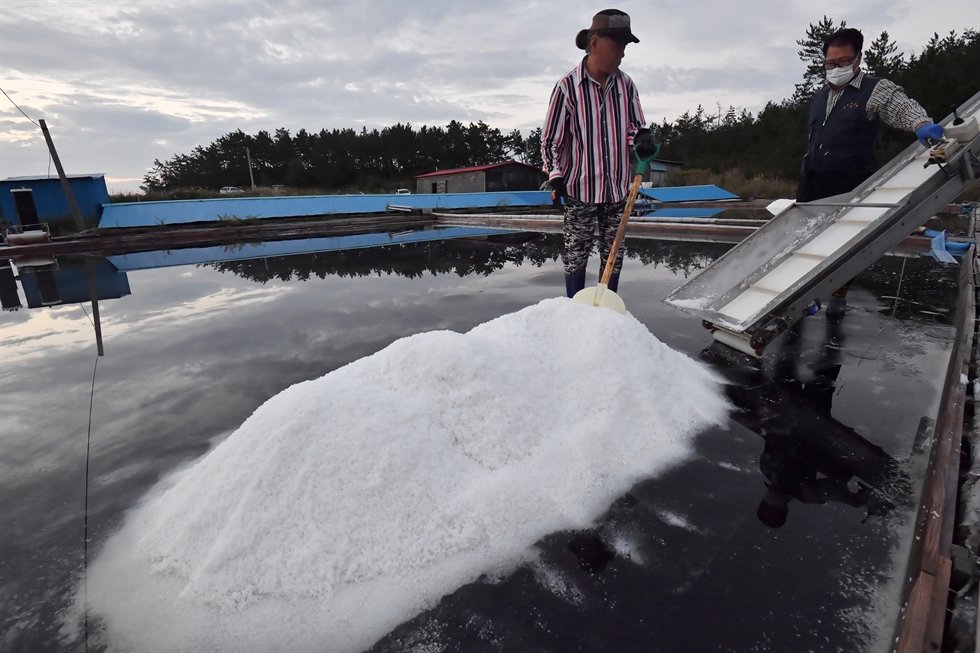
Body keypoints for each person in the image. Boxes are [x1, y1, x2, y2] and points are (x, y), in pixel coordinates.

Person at [797, 28, 945, 316]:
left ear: (857, 59)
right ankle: (801, 297)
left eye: (843, 61)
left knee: (844, 245)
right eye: (830, 63)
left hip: (851, 183)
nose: (836, 68)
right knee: (805, 242)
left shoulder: (874, 89)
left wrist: (921, 124)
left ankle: (838, 295)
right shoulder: (819, 96)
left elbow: (900, 107)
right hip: (812, 182)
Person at [541, 8, 652, 298]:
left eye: (625, 46)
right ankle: (574, 310)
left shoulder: (626, 85)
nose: (622, 53)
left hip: (617, 190)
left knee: (614, 255)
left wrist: (641, 138)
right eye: (617, 45)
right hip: (580, 190)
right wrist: (555, 176)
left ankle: (606, 311)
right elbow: (550, 141)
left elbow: (635, 128)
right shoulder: (567, 87)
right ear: (594, 43)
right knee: (576, 256)